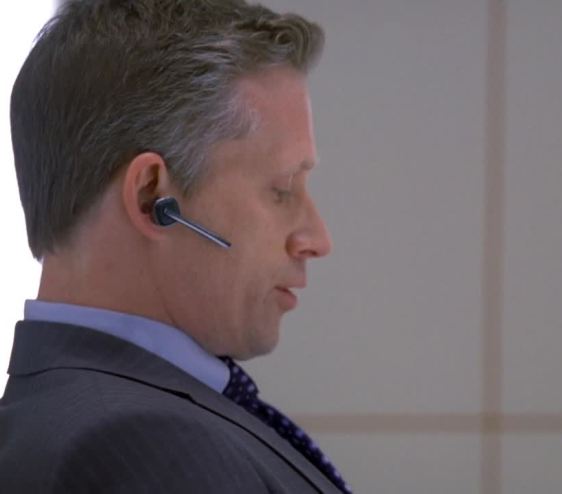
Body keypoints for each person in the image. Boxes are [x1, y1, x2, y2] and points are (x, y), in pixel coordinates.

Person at [0, 1, 349, 492]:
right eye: (282, 188)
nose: (317, 240)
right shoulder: (144, 446)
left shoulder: (61, 413)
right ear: (153, 198)